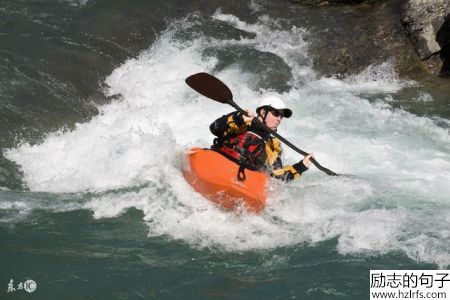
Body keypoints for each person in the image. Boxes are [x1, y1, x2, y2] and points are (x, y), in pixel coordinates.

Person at [210, 95, 314, 181]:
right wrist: (239, 118)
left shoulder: (273, 145)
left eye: (281, 116)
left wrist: (301, 166)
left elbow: (277, 177)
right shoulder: (244, 121)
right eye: (276, 113)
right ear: (263, 112)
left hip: (243, 179)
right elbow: (215, 128)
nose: (279, 119)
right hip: (218, 165)